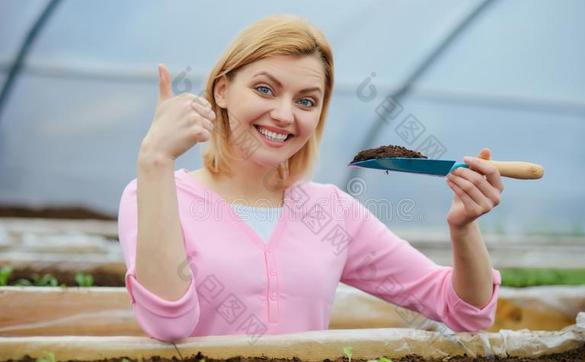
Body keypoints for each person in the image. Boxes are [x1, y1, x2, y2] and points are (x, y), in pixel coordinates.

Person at [118, 14, 503, 343]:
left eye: (306, 100)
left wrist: (464, 228)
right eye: (265, 89)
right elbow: (168, 325)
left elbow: (466, 313)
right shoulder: (153, 195)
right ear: (222, 90)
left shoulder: (331, 212)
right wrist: (155, 160)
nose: (284, 115)